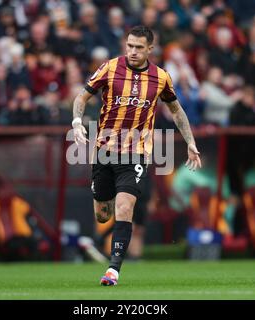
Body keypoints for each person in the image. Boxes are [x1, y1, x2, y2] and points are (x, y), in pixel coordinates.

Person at [71, 26, 201, 286]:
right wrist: (76, 122)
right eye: (129, 45)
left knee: (124, 207)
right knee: (103, 214)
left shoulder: (161, 77)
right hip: (105, 153)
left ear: (149, 49)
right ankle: (108, 245)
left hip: (136, 154)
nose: (132, 51)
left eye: (138, 47)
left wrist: (190, 141)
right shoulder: (109, 68)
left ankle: (113, 270)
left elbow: (176, 111)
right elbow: (82, 97)